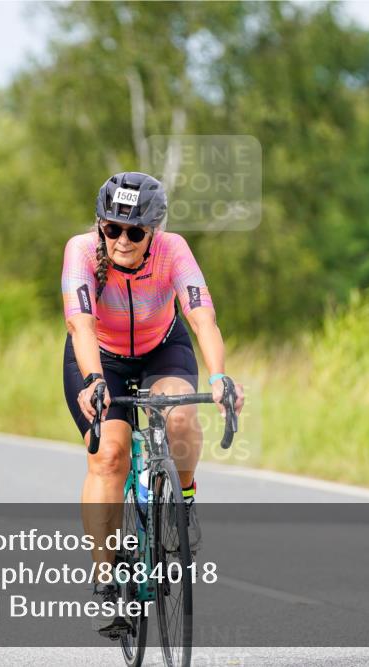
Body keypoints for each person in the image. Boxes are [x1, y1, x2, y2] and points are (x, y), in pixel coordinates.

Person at [61, 171, 245, 636]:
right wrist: (92, 381)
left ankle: (182, 500)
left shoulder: (174, 250)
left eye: (135, 231)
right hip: (99, 357)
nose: (122, 240)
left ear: (154, 231)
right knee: (109, 455)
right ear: (100, 225)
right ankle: (106, 578)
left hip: (162, 346)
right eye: (112, 228)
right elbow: (81, 326)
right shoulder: (80, 251)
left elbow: (202, 317)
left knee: (180, 415)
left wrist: (220, 376)